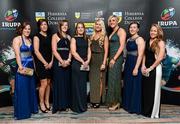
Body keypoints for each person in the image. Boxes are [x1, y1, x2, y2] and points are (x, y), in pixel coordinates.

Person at [12, 22, 38, 119]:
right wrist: (20, 66)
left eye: (29, 29)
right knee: (22, 89)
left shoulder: (30, 39)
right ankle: (23, 112)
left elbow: (31, 55)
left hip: (30, 66)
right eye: (26, 29)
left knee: (30, 88)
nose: (27, 31)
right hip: (23, 65)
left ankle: (31, 108)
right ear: (21, 29)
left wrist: (35, 68)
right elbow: (17, 54)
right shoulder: (17, 39)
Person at [141, 24, 165, 118]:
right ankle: (146, 111)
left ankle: (153, 113)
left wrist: (151, 68)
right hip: (146, 67)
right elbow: (144, 55)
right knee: (147, 90)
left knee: (154, 91)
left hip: (155, 68)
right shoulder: (147, 41)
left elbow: (160, 58)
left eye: (155, 31)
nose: (152, 32)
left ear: (158, 32)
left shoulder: (160, 42)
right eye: (151, 30)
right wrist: (143, 65)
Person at [123, 22, 145, 114]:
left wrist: (136, 68)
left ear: (138, 29)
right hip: (128, 63)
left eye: (134, 27)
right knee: (128, 84)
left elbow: (140, 55)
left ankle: (134, 107)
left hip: (135, 63)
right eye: (131, 27)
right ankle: (127, 105)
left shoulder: (140, 39)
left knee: (135, 85)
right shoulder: (128, 40)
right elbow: (125, 53)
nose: (132, 29)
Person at [106, 15, 126, 110]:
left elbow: (122, 46)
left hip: (116, 58)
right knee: (111, 80)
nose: (111, 22)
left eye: (113, 20)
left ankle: (116, 102)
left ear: (117, 21)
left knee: (115, 80)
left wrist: (114, 59)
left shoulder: (121, 31)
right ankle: (112, 101)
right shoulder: (113, 31)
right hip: (112, 57)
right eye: (110, 21)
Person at [70, 22, 91, 113]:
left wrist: (87, 61)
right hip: (77, 64)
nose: (80, 29)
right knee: (77, 86)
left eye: (82, 27)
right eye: (78, 27)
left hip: (85, 64)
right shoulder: (73, 39)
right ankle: (76, 107)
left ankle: (83, 105)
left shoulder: (87, 39)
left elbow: (89, 51)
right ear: (76, 29)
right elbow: (73, 52)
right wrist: (83, 61)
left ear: (84, 29)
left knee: (82, 86)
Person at [51, 20, 71, 114]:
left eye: (66, 25)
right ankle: (59, 105)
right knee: (59, 83)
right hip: (58, 62)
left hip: (67, 63)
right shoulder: (55, 36)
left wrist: (68, 60)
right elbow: (54, 51)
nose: (65, 26)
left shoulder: (69, 37)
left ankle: (66, 104)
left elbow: (71, 50)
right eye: (63, 25)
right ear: (60, 26)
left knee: (66, 83)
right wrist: (61, 61)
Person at [33, 19, 53, 113]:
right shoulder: (37, 36)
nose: (44, 26)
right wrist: (45, 63)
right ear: (39, 26)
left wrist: (51, 62)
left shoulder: (50, 36)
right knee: (43, 83)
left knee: (49, 83)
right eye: (42, 25)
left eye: (45, 24)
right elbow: (36, 51)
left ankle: (47, 101)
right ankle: (41, 103)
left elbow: (53, 50)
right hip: (41, 63)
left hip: (50, 63)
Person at [89, 19, 108, 108]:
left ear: (102, 26)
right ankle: (93, 99)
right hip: (92, 60)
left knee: (100, 80)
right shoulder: (91, 36)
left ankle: (98, 101)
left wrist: (104, 63)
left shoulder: (104, 36)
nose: (97, 26)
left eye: (99, 24)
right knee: (93, 81)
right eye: (96, 24)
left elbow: (106, 51)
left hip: (101, 58)